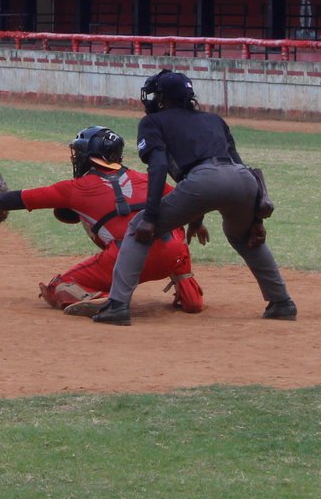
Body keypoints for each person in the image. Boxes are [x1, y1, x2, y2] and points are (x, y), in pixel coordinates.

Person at [93, 70, 297, 326]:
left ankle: (117, 305)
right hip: (242, 180)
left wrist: (151, 217)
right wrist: (256, 220)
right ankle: (282, 303)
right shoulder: (214, 120)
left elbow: (159, 168)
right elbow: (237, 166)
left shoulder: (153, 122)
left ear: (162, 98)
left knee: (137, 229)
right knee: (245, 237)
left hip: (203, 180)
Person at [0, 125, 205, 317]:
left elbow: (23, 198)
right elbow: (189, 203)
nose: (76, 158)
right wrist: (198, 224)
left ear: (89, 157)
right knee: (174, 233)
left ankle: (104, 298)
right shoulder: (146, 179)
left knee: (59, 286)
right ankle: (190, 295)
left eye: (79, 154)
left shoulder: (75, 188)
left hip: (126, 257)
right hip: (173, 253)